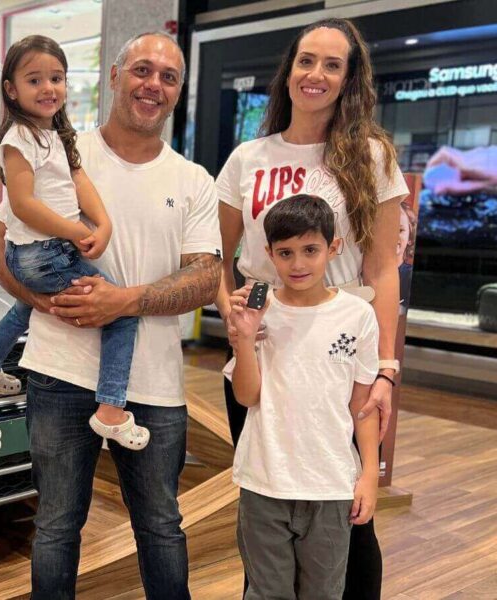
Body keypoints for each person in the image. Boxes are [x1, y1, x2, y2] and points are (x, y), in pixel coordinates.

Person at [0, 31, 221, 598]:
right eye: (142, 70)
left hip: (154, 384)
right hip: (59, 374)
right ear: (114, 76)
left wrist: (124, 301)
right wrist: (43, 303)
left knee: (161, 528)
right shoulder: (56, 149)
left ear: (178, 92)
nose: (153, 85)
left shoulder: (193, 180)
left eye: (168, 77)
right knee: (57, 527)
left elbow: (206, 276)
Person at [215, 18, 408, 598]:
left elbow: (381, 270)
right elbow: (220, 260)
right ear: (289, 70)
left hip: (338, 352)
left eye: (332, 64)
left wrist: (387, 369)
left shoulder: (369, 156)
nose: (315, 74)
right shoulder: (248, 157)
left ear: (349, 78)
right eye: (306, 60)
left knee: (350, 509)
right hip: (262, 350)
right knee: (266, 505)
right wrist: (235, 317)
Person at [0, 35, 148, 449]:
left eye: (57, 77)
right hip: (44, 253)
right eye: (35, 80)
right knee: (121, 311)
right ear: (11, 89)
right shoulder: (19, 139)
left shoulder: (54, 134)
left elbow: (78, 179)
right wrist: (76, 230)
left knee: (24, 307)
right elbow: (23, 204)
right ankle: (111, 409)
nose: (48, 88)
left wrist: (101, 224)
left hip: (37, 254)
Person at [228, 195, 381, 600]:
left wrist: (368, 474)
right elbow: (247, 396)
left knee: (324, 593)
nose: (298, 264)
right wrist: (243, 339)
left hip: (330, 483)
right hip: (265, 480)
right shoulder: (257, 310)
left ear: (333, 248)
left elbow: (362, 407)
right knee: (266, 592)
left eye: (310, 250)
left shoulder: (357, 315)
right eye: (286, 252)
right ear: (269, 254)